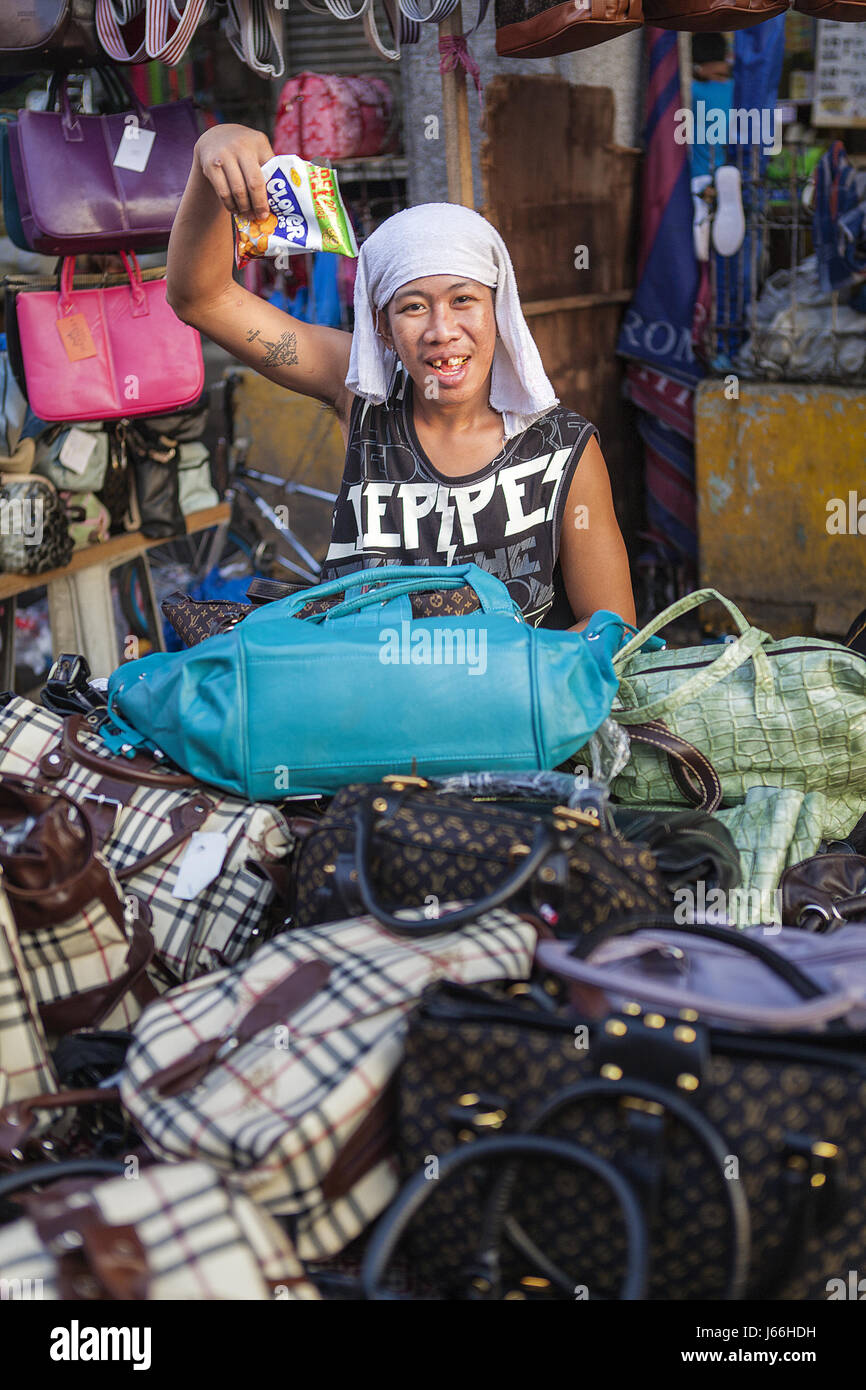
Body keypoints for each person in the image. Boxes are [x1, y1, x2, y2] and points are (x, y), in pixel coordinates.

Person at [166, 124, 636, 631]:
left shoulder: (561, 447)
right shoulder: (363, 399)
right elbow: (202, 298)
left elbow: (610, 629)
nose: (442, 330)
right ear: (383, 330)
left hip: (507, 704)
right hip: (366, 701)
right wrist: (209, 151)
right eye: (413, 307)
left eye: (463, 300)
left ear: (498, 311)